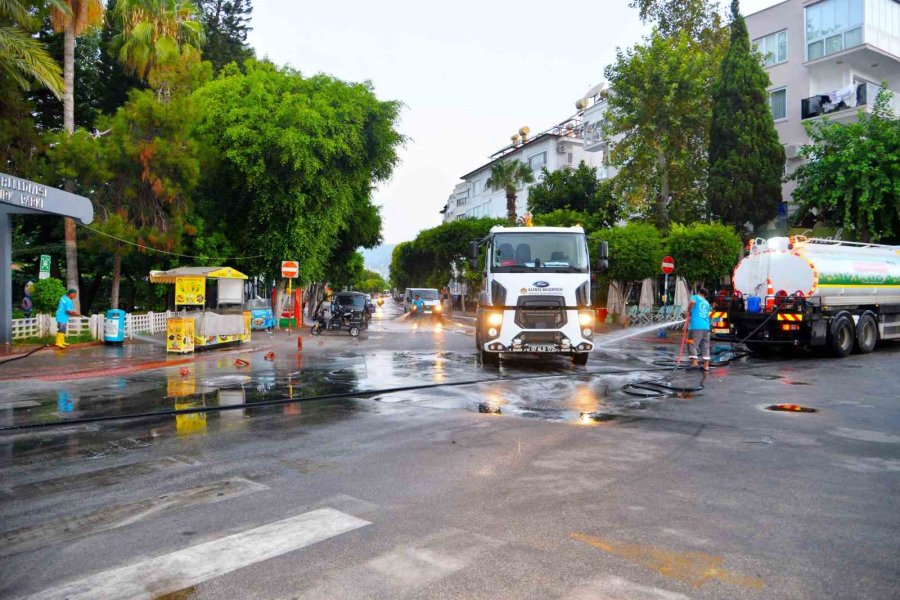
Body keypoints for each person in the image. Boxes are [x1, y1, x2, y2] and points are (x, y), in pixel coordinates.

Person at [684, 287, 711, 371]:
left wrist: (688, 311)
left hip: (696, 326)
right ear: (705, 296)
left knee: (691, 343)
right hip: (706, 327)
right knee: (705, 345)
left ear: (700, 292)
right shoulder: (706, 303)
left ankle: (694, 363)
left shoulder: (695, 297)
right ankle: (706, 366)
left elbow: (692, 302)